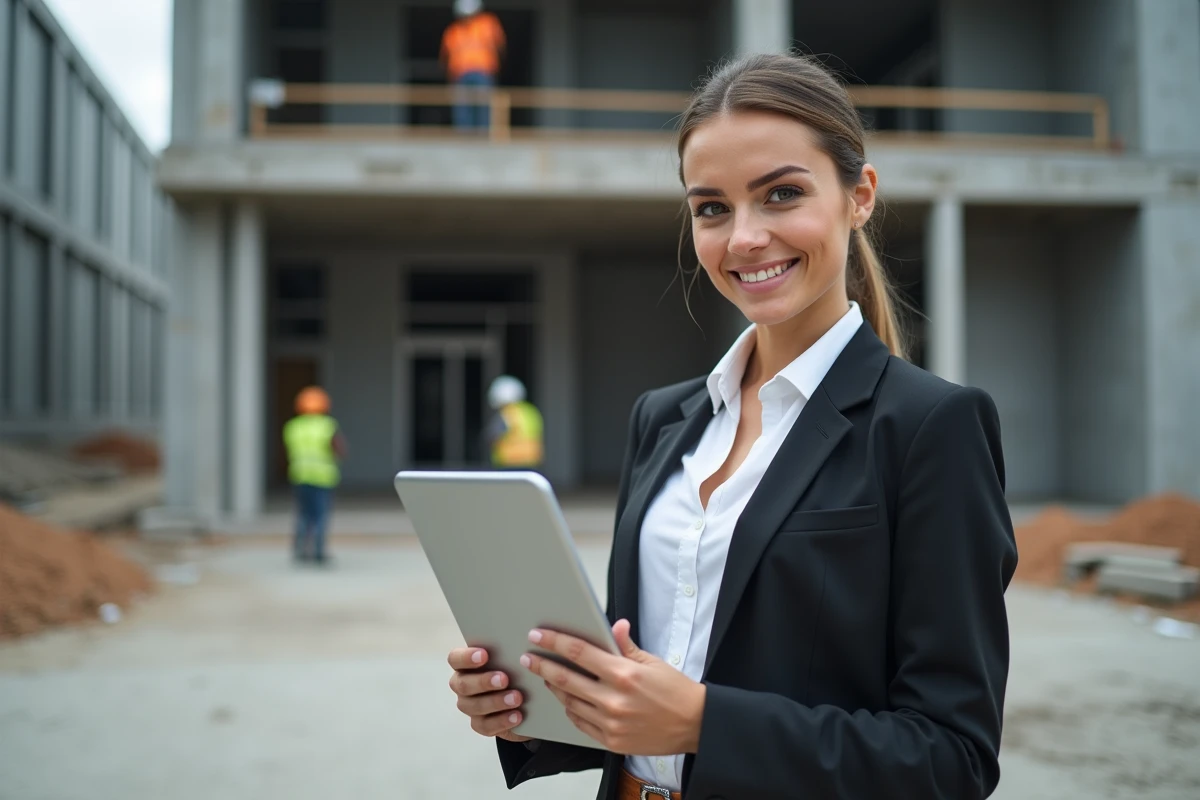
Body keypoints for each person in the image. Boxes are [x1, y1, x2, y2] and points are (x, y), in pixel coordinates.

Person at [446, 52, 1017, 800]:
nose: (743, 237)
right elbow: (640, 688)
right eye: (712, 208)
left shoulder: (930, 427)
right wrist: (531, 709)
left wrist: (705, 723)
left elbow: (952, 758)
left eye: (782, 194)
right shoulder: (662, 419)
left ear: (860, 197)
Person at [283, 386, 347, 565]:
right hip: (322, 477)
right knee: (320, 516)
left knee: (303, 514)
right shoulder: (327, 426)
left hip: (300, 475)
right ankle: (318, 552)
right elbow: (339, 449)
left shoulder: (293, 426)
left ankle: (300, 551)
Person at [440, 0, 506, 130]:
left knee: (483, 106)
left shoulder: (488, 24)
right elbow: (445, 57)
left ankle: (483, 135)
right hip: (461, 74)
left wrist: (497, 67)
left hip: (484, 72)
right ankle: (464, 136)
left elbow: (501, 47)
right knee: (463, 108)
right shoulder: (453, 31)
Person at [484, 375, 543, 469]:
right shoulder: (531, 411)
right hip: (531, 462)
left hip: (510, 463)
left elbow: (492, 436)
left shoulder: (507, 413)